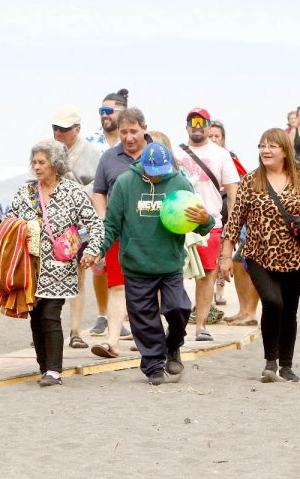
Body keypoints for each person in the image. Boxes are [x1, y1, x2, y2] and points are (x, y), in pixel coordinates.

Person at [88, 139, 214, 385]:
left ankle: (174, 345)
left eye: (161, 173)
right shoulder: (125, 183)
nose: (156, 177)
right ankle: (154, 365)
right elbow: (111, 225)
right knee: (143, 319)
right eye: (151, 172)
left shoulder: (179, 182)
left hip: (169, 264)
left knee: (179, 308)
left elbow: (200, 222)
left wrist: (205, 219)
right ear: (142, 164)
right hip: (137, 265)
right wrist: (97, 250)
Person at [221, 128, 300, 383]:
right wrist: (225, 256)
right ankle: (270, 361)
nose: (265, 150)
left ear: (284, 150)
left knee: (289, 311)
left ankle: (285, 365)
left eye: (272, 146)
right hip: (258, 255)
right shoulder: (251, 181)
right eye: (262, 146)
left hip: (295, 257)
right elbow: (235, 219)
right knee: (273, 303)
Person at [7, 139, 104, 386]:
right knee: (36, 316)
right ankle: (44, 367)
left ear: (56, 164)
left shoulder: (73, 193)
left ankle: (54, 370)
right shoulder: (25, 193)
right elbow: (7, 223)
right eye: (35, 162)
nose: (37, 167)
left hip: (60, 268)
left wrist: (90, 251)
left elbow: (95, 225)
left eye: (42, 162)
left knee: (50, 314)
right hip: (31, 267)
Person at [90, 107, 152, 359]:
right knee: (117, 285)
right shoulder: (108, 157)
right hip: (118, 232)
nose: (128, 137)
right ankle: (112, 341)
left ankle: (145, 338)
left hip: (151, 232)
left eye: (133, 131)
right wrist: (105, 220)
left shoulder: (157, 153)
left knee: (150, 287)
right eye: (123, 132)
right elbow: (99, 191)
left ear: (144, 129)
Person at [173, 108, 240, 342]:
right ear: (187, 126)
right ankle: (173, 326)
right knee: (171, 276)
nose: (197, 126)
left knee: (207, 276)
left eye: (202, 122)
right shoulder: (176, 153)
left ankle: (200, 325)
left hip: (210, 222)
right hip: (178, 224)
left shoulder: (221, 154)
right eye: (193, 122)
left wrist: (232, 229)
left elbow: (232, 193)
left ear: (209, 125)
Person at [51, 105, 102, 349]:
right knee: (48, 277)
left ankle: (75, 331)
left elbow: (100, 185)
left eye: (63, 129)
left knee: (78, 276)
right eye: (55, 128)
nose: (58, 133)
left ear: (77, 129)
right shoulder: (48, 151)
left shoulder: (91, 153)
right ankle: (49, 328)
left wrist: (75, 194)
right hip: (52, 226)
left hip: (79, 226)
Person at [208, 122, 260, 326]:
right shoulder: (199, 159)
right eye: (210, 135)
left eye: (217, 136)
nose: (213, 139)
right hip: (214, 217)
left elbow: (243, 186)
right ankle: (243, 310)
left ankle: (250, 312)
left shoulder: (230, 159)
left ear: (223, 138)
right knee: (235, 263)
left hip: (238, 218)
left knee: (246, 262)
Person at [86, 88, 128, 336]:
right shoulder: (91, 143)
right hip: (97, 217)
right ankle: (104, 315)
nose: (104, 116)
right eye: (101, 111)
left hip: (131, 217)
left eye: (108, 111)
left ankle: (126, 317)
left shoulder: (134, 140)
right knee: (99, 267)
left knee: (129, 269)